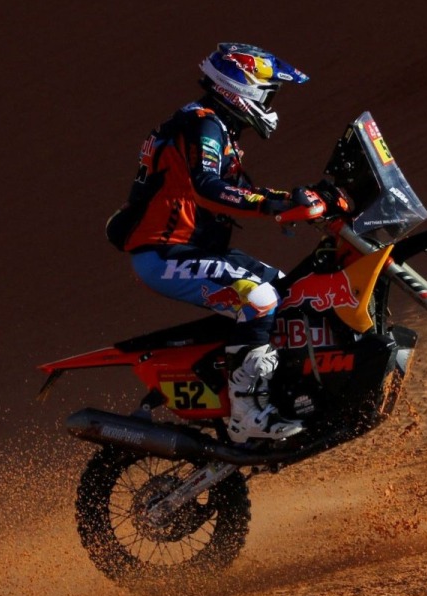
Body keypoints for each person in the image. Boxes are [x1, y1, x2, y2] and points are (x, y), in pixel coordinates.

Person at [106, 43, 326, 443]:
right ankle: (247, 414)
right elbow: (209, 189)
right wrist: (272, 206)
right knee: (259, 299)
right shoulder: (202, 124)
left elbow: (238, 190)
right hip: (166, 254)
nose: (271, 105)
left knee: (292, 291)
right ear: (240, 87)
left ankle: (283, 393)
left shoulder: (215, 127)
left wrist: (297, 200)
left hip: (197, 250)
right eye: (268, 94)